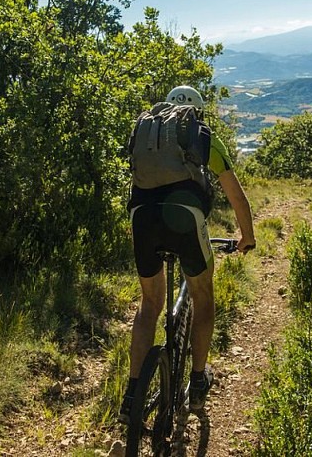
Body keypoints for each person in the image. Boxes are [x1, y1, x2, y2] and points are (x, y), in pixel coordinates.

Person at [120, 85, 256, 422]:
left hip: (142, 217)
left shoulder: (147, 130)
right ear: (196, 111)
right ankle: (196, 382)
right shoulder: (201, 134)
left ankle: (132, 394)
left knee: (149, 305)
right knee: (203, 296)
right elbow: (236, 196)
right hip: (184, 217)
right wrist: (247, 237)